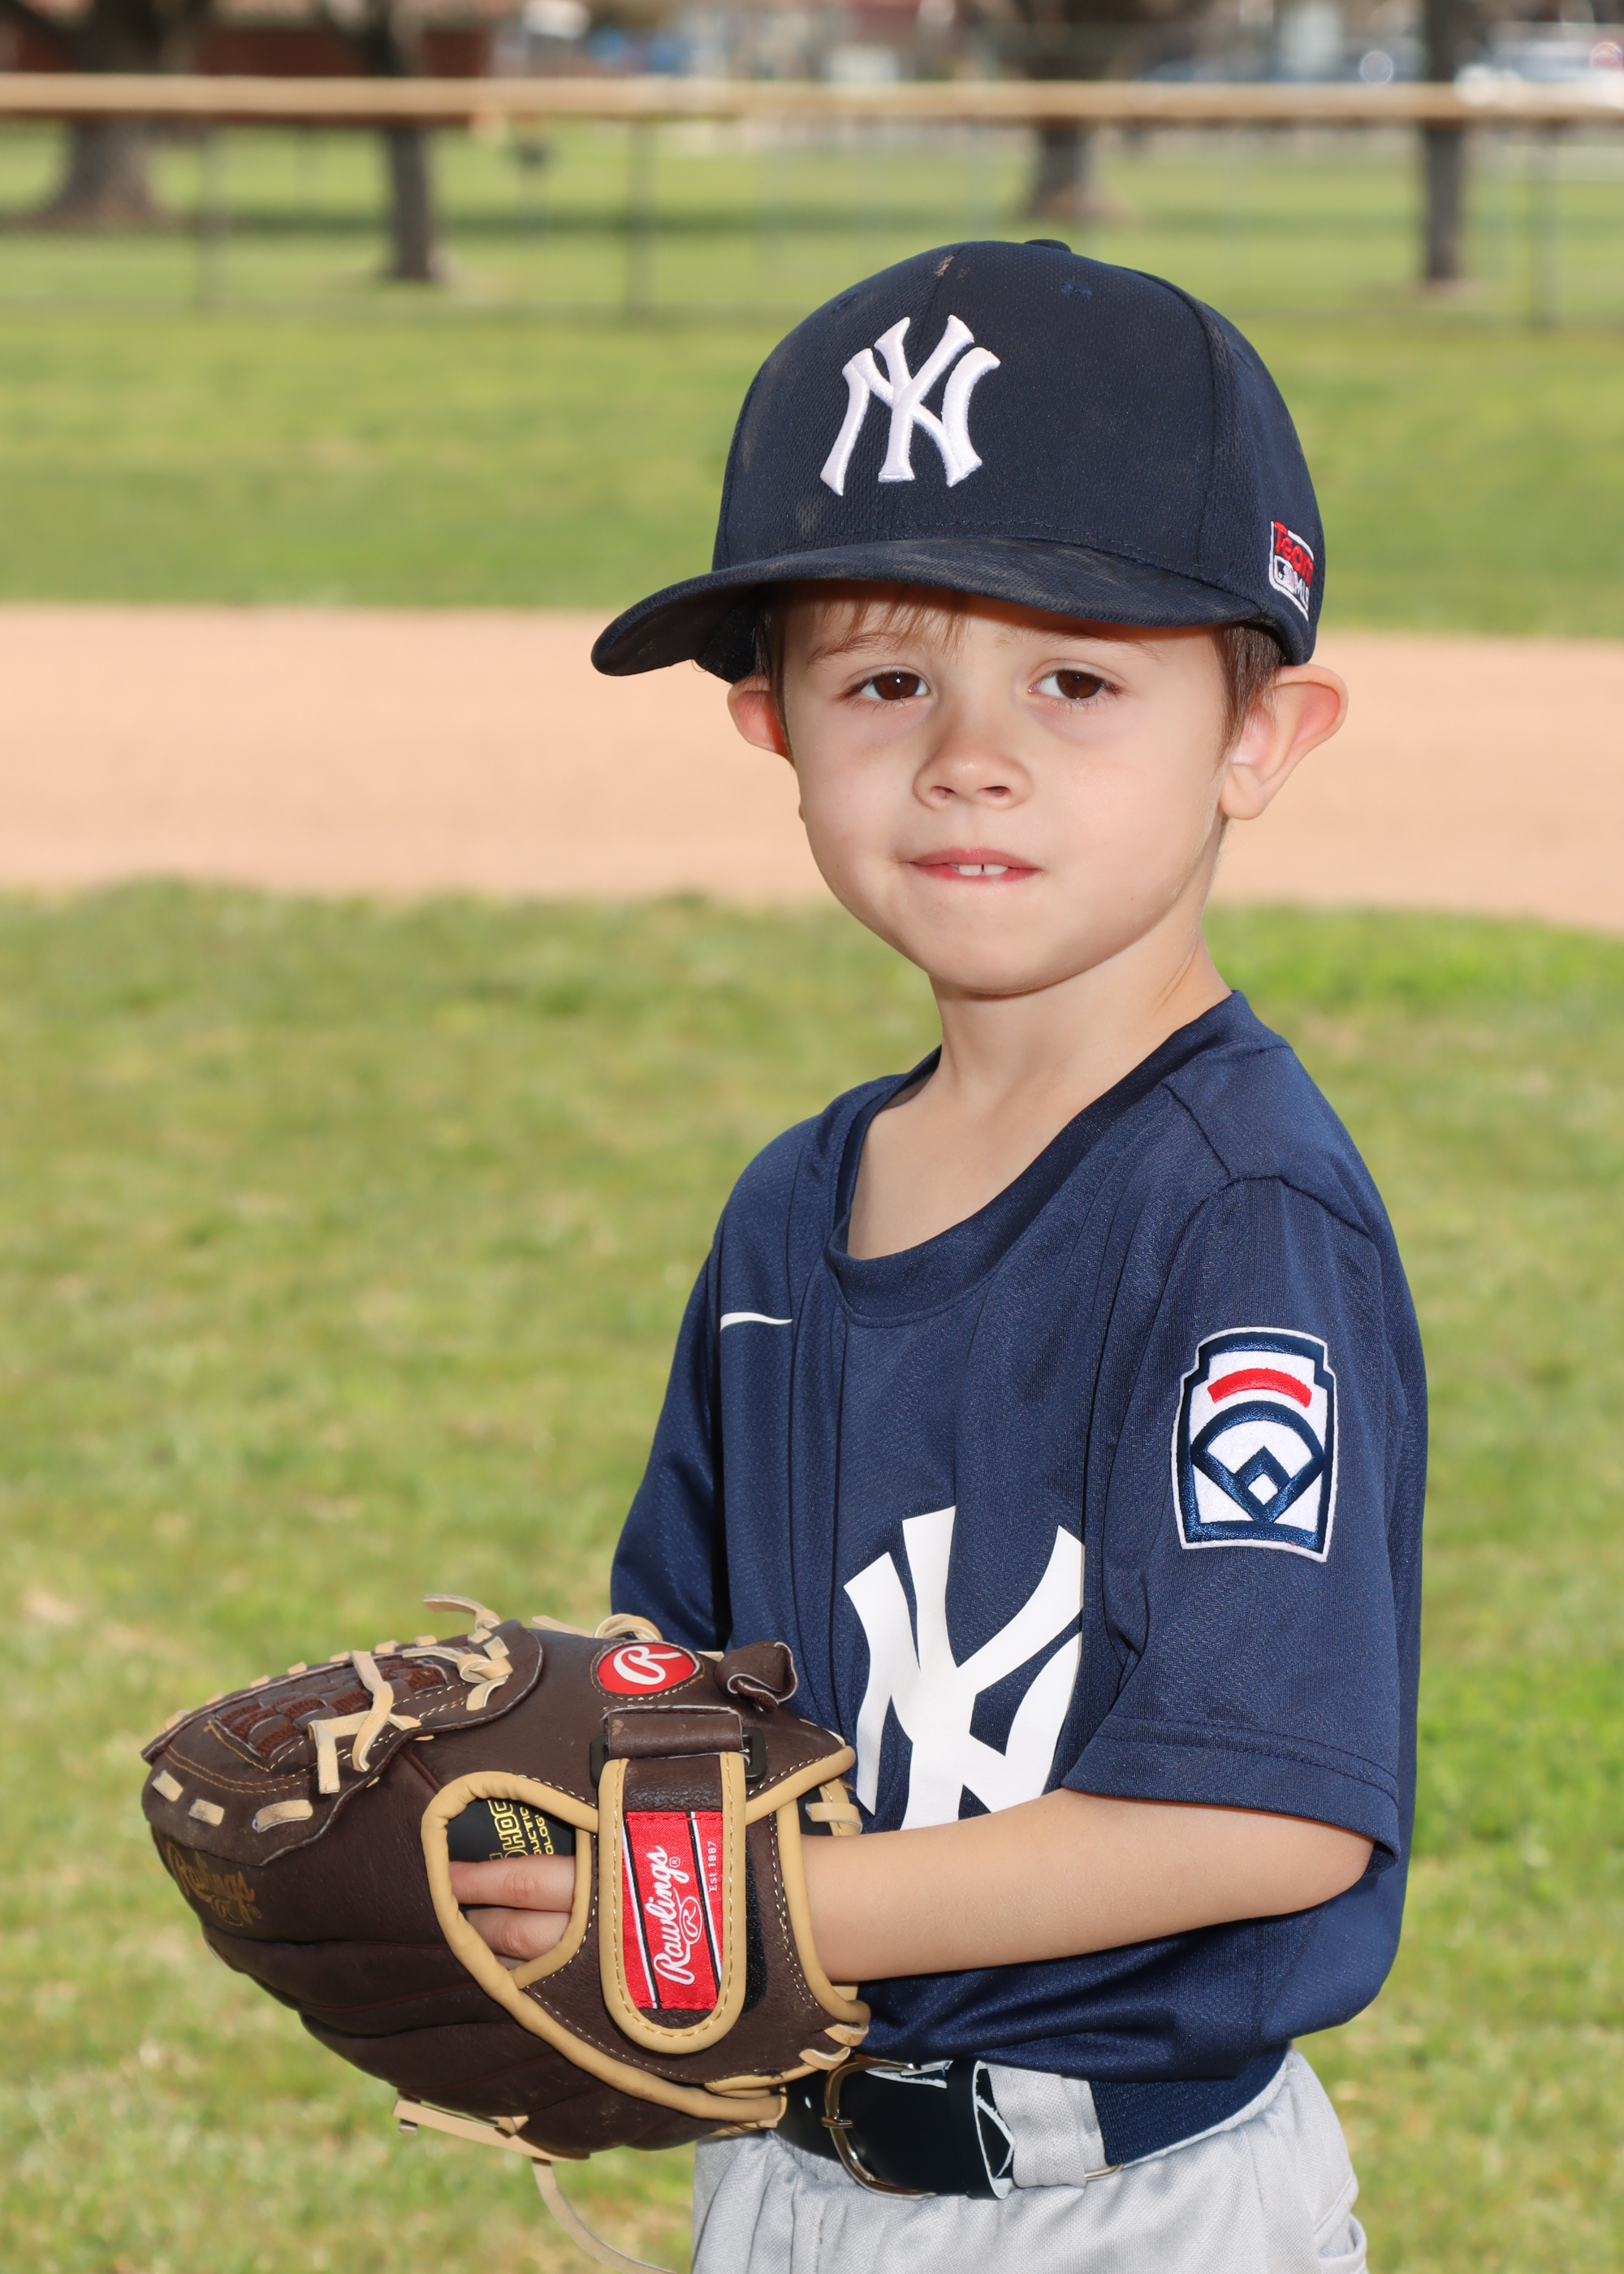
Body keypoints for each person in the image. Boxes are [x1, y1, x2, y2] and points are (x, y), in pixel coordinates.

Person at [447, 240, 1425, 2273]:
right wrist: (543, 1856)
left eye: (1077, 678)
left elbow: (1262, 1809)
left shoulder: (1238, 1215)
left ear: (1260, 733)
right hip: (792, 2174)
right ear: (770, 722)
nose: (969, 752)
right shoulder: (786, 1213)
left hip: (1129, 2208)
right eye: (886, 680)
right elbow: (688, 1690)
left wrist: (746, 1906)